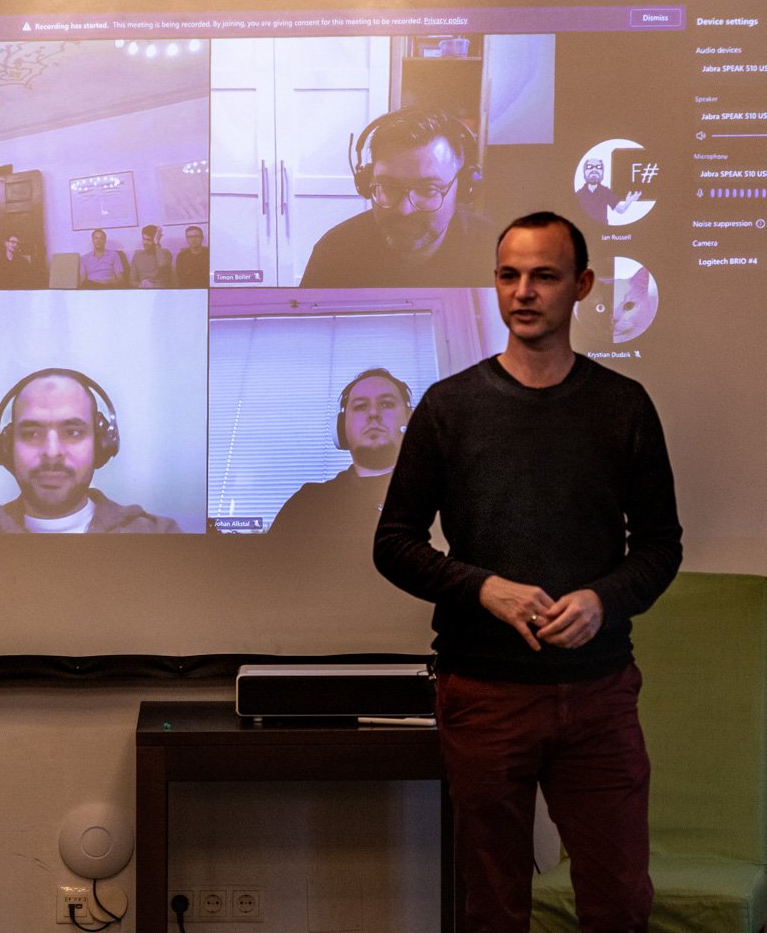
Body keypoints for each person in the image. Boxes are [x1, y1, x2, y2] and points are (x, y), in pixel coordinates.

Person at [374, 211, 682, 933]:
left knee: (618, 901)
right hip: (483, 692)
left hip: (598, 694)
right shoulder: (448, 408)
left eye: (544, 276)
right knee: (493, 905)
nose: (524, 292)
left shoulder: (623, 407)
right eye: (509, 275)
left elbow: (661, 547)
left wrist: (604, 601)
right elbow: (394, 542)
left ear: (581, 286)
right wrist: (480, 586)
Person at [0, 368, 181, 533]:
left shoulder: (155, 534)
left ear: (101, 444)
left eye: (73, 432)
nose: (52, 452)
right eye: (32, 433)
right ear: (5, 447)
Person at [300, 107, 492, 288]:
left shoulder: (498, 253)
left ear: (464, 187)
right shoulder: (334, 251)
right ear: (367, 182)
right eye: (388, 186)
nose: (404, 209)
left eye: (428, 189)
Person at [269, 368, 413, 536]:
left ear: (411, 420)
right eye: (361, 406)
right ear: (342, 427)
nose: (373, 414)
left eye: (386, 404)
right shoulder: (307, 504)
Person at [574, 157, 640, 225]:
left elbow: (621, 210)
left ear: (602, 172)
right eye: (590, 167)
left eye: (598, 167)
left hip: (602, 230)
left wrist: (629, 201)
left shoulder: (606, 192)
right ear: (584, 172)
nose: (594, 169)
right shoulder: (579, 194)